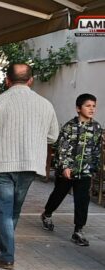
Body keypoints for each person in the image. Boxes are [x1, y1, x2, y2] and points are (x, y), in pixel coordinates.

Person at [0, 63, 59, 269]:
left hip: (1, 165)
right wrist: (32, 137)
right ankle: (3, 242)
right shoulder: (45, 104)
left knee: (2, 210)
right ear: (31, 80)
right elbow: (53, 136)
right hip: (30, 165)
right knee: (14, 209)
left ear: (7, 81)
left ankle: (6, 256)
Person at [41, 94, 102, 246]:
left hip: (85, 171)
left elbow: (96, 150)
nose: (92, 109)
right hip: (67, 171)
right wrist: (65, 166)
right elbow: (61, 148)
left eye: (94, 106)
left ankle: (78, 231)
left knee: (82, 200)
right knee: (58, 195)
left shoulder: (97, 127)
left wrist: (93, 167)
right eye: (88, 106)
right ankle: (47, 214)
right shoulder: (69, 127)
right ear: (78, 108)